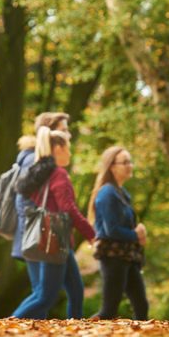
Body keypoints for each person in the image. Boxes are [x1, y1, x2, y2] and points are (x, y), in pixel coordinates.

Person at [12, 127, 96, 319]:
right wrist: (90, 233)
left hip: (56, 237)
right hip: (54, 238)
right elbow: (68, 208)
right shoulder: (58, 174)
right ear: (58, 148)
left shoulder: (41, 172)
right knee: (45, 296)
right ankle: (8, 324)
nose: (70, 153)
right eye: (68, 148)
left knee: (76, 289)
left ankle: (75, 330)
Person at [89, 146, 149, 320]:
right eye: (125, 162)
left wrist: (139, 233)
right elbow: (111, 230)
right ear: (112, 166)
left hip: (126, 256)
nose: (130, 165)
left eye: (130, 161)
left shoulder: (121, 193)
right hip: (113, 255)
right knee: (109, 310)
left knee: (141, 305)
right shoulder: (107, 193)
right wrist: (136, 235)